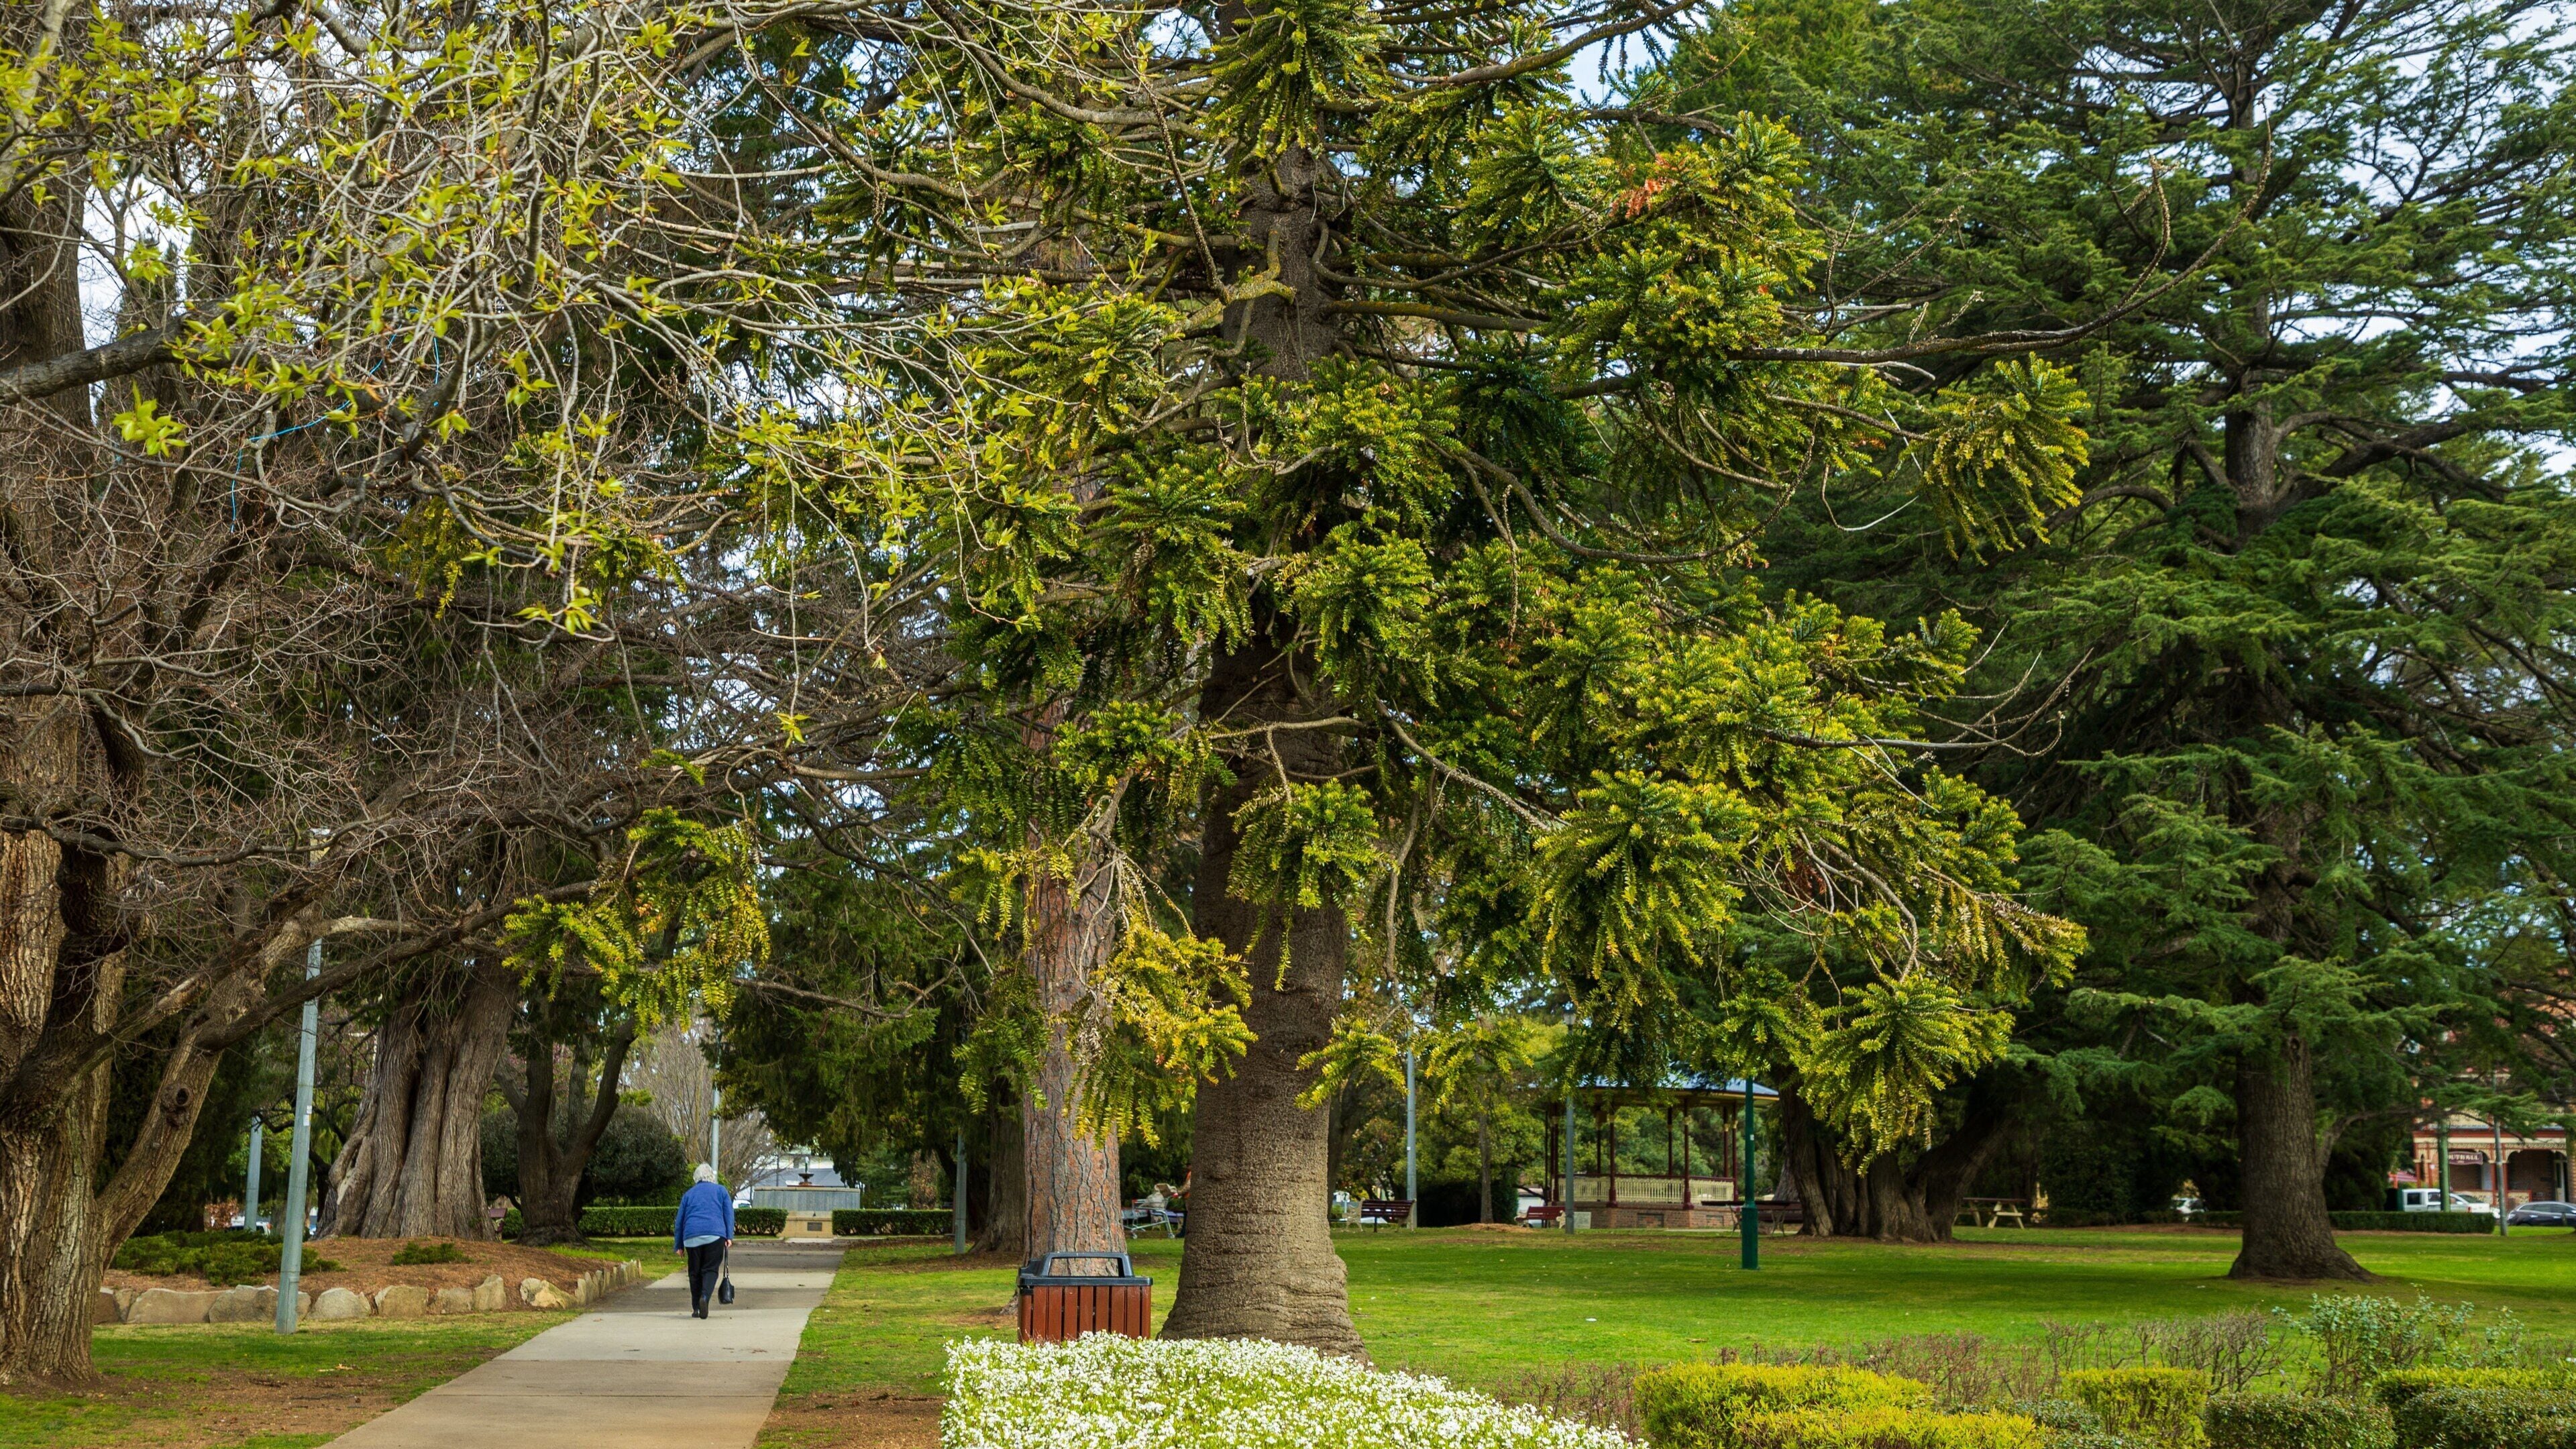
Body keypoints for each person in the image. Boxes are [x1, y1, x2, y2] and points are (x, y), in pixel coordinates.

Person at [673, 1163, 735, 1319]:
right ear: (712, 1177)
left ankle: (696, 1309)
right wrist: (729, 1236)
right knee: (710, 1269)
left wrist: (679, 1245)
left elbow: (679, 1221)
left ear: (696, 1178)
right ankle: (705, 1297)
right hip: (715, 1235)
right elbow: (728, 1214)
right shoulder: (721, 1191)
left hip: (691, 1237)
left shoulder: (689, 1194)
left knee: (694, 1273)